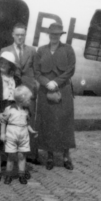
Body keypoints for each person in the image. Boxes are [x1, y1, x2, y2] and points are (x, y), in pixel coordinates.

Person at [34, 23, 76, 170]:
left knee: (64, 123)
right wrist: (47, 83)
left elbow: (70, 70)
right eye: (52, 34)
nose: (54, 37)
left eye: (57, 34)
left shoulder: (68, 50)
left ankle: (66, 156)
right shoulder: (41, 51)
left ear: (60, 35)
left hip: (63, 91)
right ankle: (50, 156)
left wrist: (56, 82)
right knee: (48, 123)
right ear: (48, 35)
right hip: (45, 92)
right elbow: (37, 72)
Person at [0, 22, 40, 165]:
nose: (20, 38)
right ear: (12, 35)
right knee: (10, 120)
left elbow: (36, 71)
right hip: (12, 89)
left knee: (29, 120)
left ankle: (30, 155)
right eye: (17, 35)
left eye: (22, 35)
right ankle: (6, 156)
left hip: (28, 90)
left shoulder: (32, 50)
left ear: (25, 35)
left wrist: (34, 86)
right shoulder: (5, 50)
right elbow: (2, 71)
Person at [0, 51, 21, 182]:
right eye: (0, 62)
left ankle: (8, 171)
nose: (2, 65)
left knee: (11, 144)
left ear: (11, 66)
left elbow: (20, 98)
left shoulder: (17, 80)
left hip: (13, 113)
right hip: (0, 112)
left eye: (5, 63)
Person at [0, 85, 38, 185]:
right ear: (22, 99)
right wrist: (3, 134)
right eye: (28, 100)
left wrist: (31, 131)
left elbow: (27, 123)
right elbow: (4, 122)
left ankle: (21, 175)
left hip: (23, 134)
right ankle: (8, 175)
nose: (30, 101)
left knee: (22, 155)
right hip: (12, 134)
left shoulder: (26, 111)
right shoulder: (9, 109)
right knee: (11, 156)